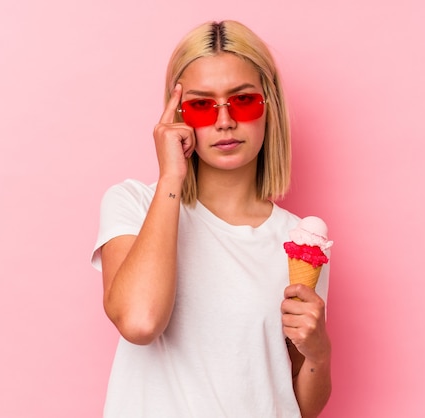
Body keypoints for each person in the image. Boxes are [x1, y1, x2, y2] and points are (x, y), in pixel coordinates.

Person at [91, 20, 331, 418]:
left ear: (268, 107)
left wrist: (320, 351)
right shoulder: (132, 204)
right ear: (177, 115)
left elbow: (295, 405)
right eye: (201, 105)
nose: (224, 121)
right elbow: (139, 321)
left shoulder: (299, 241)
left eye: (243, 101)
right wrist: (172, 176)